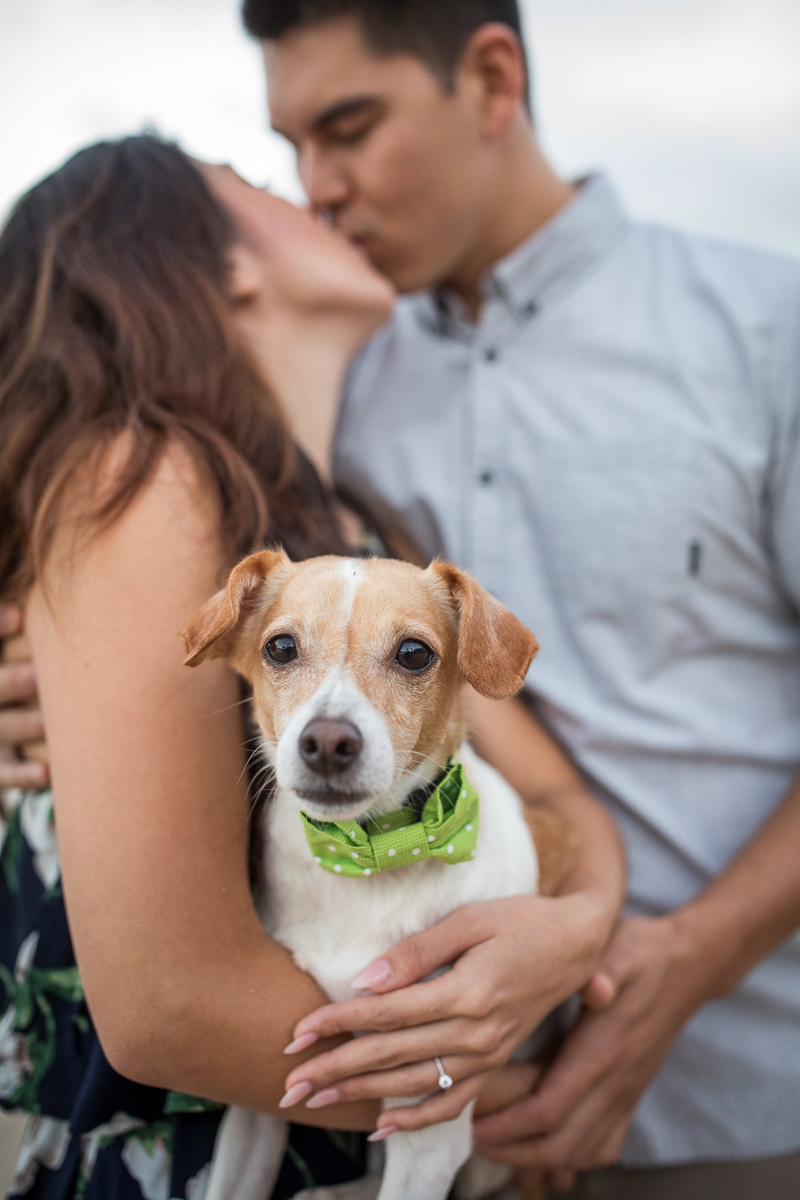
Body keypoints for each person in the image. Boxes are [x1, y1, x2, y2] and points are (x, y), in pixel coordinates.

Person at [221, 1, 800, 1197]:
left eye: (348, 128)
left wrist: (679, 967)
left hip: (724, 1099)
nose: (316, 187)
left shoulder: (765, 332)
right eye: (291, 148)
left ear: (490, 79)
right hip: (416, 1129)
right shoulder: (343, 376)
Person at [0, 135, 624, 1198]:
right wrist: (510, 1092)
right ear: (222, 266)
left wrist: (572, 932)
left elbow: (555, 788)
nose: (316, 192)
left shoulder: (353, 526)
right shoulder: (146, 483)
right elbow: (169, 1009)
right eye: (262, 182)